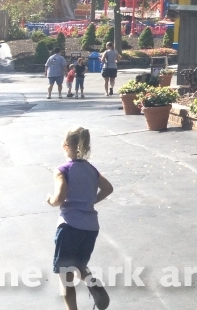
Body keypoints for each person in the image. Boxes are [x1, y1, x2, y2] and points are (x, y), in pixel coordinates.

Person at [46, 127, 112, 310]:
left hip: (69, 227)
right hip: (90, 228)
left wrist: (50, 200)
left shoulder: (62, 170)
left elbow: (59, 199)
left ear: (65, 145)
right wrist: (90, 201)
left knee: (66, 276)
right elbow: (108, 188)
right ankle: (93, 283)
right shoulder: (91, 169)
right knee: (79, 265)